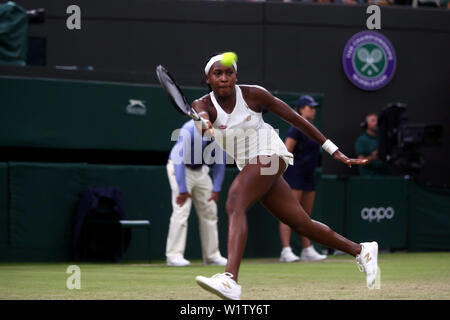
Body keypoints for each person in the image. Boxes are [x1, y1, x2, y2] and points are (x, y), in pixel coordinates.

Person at [193, 52, 379, 300]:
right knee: (302, 224)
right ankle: (361, 250)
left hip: (271, 154)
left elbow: (296, 119)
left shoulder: (253, 94)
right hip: (250, 165)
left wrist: (333, 150)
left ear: (237, 76)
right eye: (218, 74)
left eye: (229, 73)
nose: (224, 78)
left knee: (235, 200)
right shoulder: (201, 105)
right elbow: (204, 116)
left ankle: (230, 280)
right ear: (208, 78)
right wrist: (204, 123)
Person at [165, 119, 228, 267]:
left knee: (210, 212)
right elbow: (178, 160)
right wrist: (182, 190)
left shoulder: (219, 132)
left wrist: (216, 188)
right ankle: (174, 256)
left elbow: (220, 161)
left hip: (201, 171)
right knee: (181, 211)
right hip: (179, 168)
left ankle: (212, 256)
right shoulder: (189, 129)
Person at [279, 95, 326, 263]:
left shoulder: (312, 128)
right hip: (295, 174)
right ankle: (286, 250)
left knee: (305, 215)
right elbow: (286, 151)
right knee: (289, 214)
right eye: (309, 107)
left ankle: (307, 249)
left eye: (314, 107)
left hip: (309, 174)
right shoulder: (295, 128)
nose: (313, 110)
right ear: (301, 109)